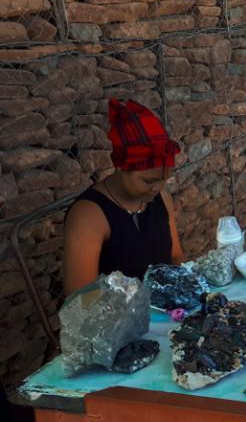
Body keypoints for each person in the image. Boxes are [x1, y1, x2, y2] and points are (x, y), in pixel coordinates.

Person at [63, 99, 185, 295]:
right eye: (148, 181)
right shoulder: (89, 215)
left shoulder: (161, 196)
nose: (158, 188)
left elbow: (176, 256)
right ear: (121, 167)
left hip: (164, 310)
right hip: (114, 321)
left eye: (165, 179)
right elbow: (81, 300)